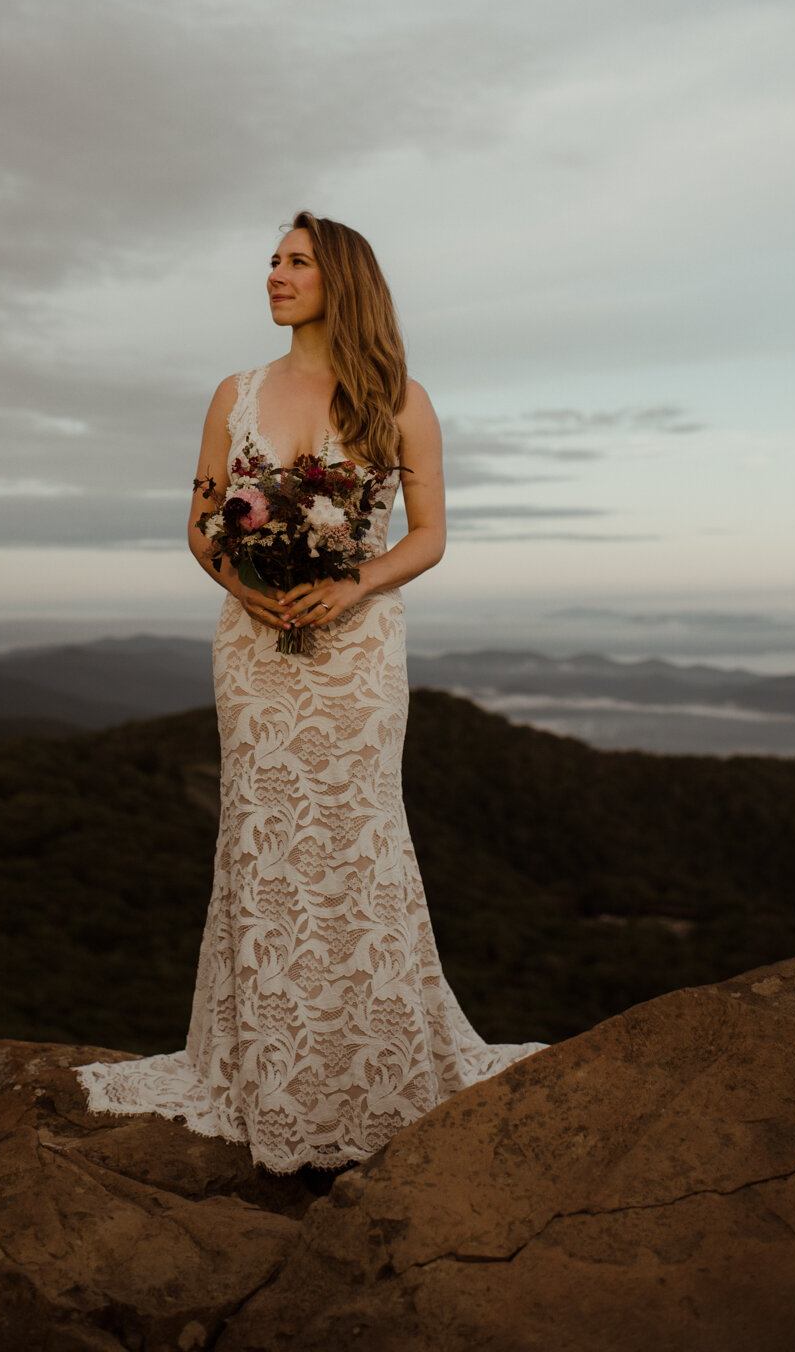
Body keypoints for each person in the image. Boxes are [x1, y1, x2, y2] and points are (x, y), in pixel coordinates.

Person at [76, 212, 545, 1173]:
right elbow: (205, 524)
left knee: (357, 838)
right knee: (263, 838)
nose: (275, 275)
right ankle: (266, 1072)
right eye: (273, 262)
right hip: (253, 652)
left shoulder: (398, 398)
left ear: (343, 280)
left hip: (359, 648)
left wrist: (351, 583)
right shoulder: (234, 394)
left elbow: (427, 537)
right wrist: (246, 591)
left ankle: (370, 1072)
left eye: (296, 262)